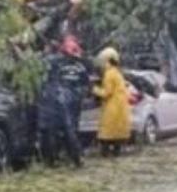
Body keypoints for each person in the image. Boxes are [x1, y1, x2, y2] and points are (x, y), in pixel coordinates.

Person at [37, 36, 89, 167]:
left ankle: (63, 159)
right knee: (67, 130)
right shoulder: (75, 66)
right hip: (65, 101)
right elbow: (85, 86)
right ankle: (72, 158)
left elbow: (85, 86)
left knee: (61, 130)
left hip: (61, 102)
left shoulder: (55, 64)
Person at [93, 47, 132, 157]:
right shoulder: (118, 73)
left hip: (112, 108)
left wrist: (94, 89)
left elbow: (106, 93)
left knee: (106, 134)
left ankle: (105, 154)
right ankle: (116, 154)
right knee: (117, 136)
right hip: (121, 107)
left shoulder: (109, 74)